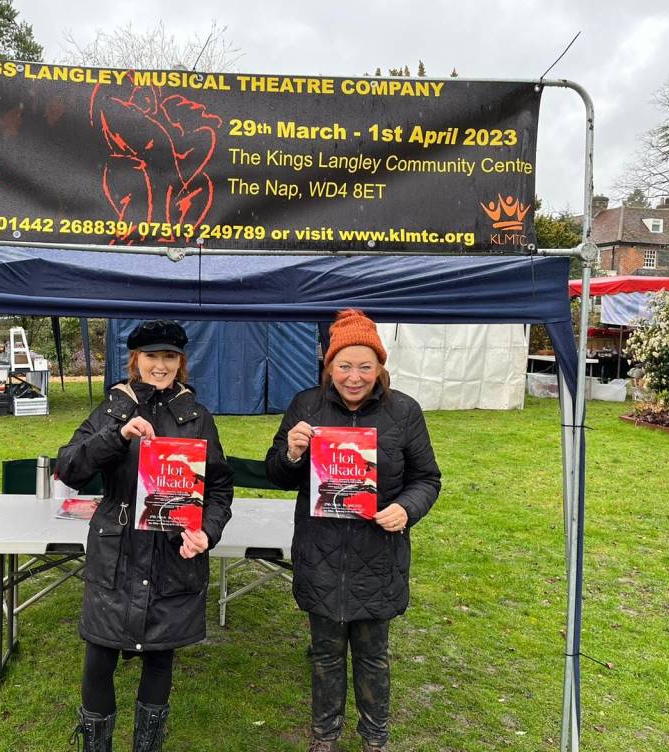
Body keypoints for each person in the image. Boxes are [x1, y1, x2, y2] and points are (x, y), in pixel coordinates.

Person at [265, 309, 441, 752]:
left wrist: (406, 508)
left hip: (378, 555)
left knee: (373, 656)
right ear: (329, 365)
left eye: (365, 366)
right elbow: (279, 475)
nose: (354, 377)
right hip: (320, 553)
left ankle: (374, 739)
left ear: (380, 366)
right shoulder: (306, 405)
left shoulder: (404, 411)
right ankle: (324, 737)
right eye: (344, 365)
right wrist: (291, 453)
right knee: (325, 656)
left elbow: (427, 478)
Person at [56, 320, 233, 752]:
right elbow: (69, 468)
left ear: (181, 362)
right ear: (135, 360)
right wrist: (116, 436)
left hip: (171, 556)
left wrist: (207, 532)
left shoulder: (197, 417)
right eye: (152, 356)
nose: (160, 365)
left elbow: (219, 489)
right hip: (115, 555)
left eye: (169, 357)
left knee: (159, 658)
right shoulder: (112, 408)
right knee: (99, 659)